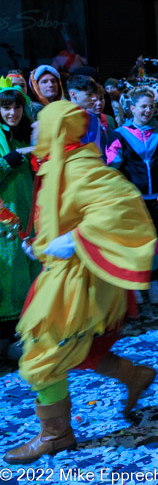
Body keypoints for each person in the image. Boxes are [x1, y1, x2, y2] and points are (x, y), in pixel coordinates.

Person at [3, 101, 156, 465]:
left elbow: (121, 205)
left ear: (58, 129)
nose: (35, 130)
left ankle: (55, 435)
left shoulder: (79, 165)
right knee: (73, 349)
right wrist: (41, 244)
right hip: (61, 273)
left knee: (40, 351)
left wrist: (71, 241)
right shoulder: (56, 165)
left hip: (78, 277)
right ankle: (134, 376)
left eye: (42, 124)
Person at [106, 87, 158, 305]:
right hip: (133, 199)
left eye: (151, 106)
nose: (148, 110)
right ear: (132, 108)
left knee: (157, 241)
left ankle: (154, 281)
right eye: (143, 106)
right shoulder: (119, 134)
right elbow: (113, 166)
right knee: (133, 242)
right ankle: (134, 285)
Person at [0, 80, 38, 360]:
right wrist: (12, 158)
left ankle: (25, 329)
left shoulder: (25, 136)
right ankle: (7, 333)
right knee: (10, 270)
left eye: (17, 107)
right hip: (5, 217)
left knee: (29, 268)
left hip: (29, 213)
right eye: (6, 107)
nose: (12, 112)